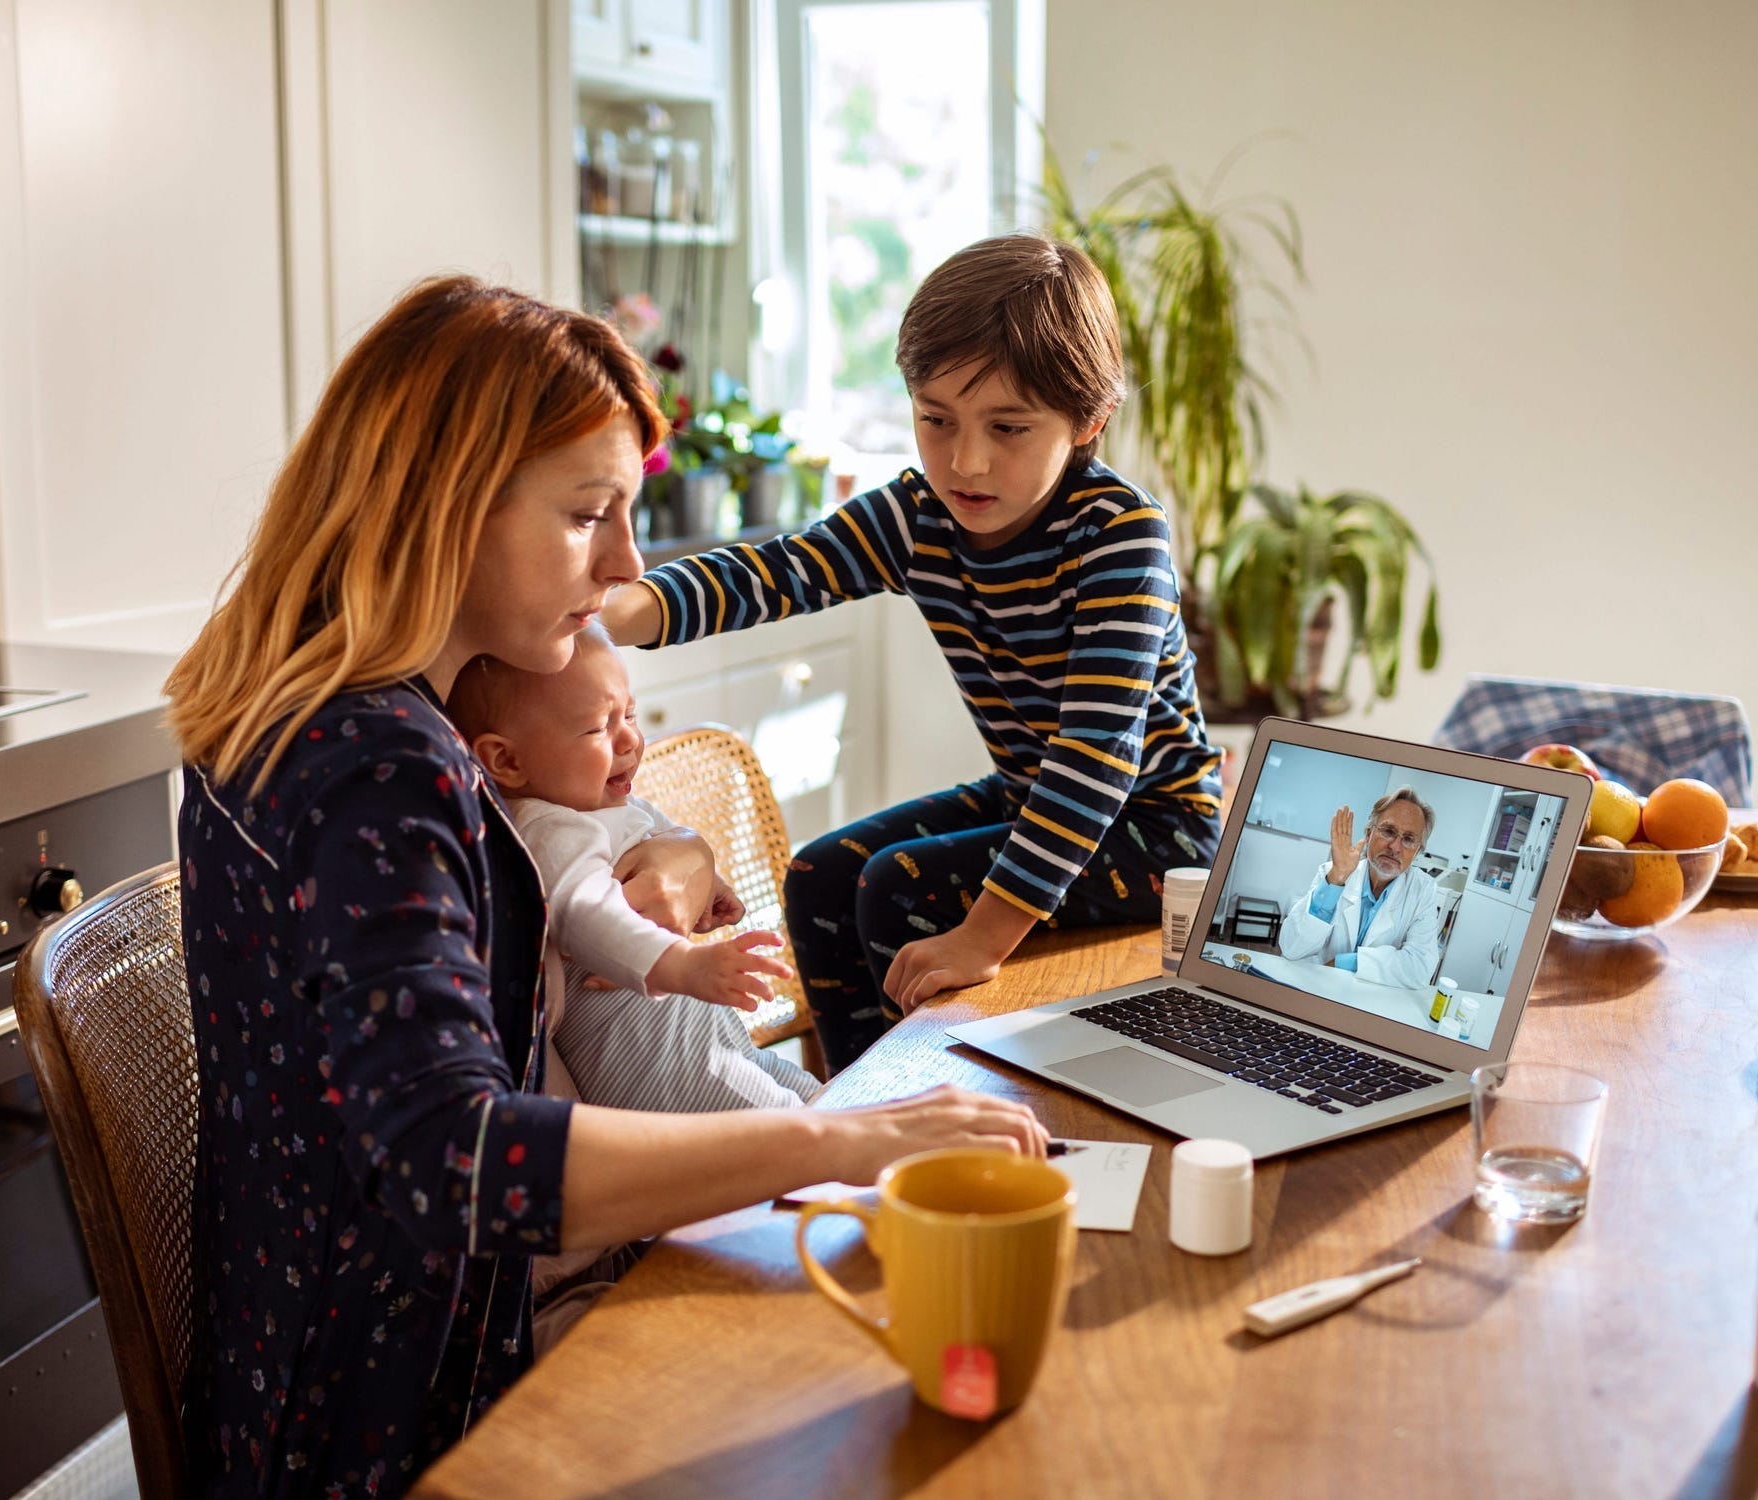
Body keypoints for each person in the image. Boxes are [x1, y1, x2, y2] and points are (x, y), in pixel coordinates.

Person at [161, 274, 1044, 1498]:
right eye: (590, 515)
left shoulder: (309, 711)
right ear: (447, 507)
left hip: (304, 1362)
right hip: (403, 1413)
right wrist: (848, 1137)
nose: (628, 562)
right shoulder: (378, 765)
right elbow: (456, 1161)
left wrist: (666, 858)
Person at [601, 234, 1223, 1070]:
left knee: (897, 886)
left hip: (1162, 831)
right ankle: (855, 1100)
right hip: (1030, 795)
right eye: (936, 420)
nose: (965, 461)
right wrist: (609, 612)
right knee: (822, 875)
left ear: (1088, 421)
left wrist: (985, 937)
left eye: (1008, 427)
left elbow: (1093, 763)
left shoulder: (1119, 537)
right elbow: (777, 572)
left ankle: (917, 1102)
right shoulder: (917, 515)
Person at [446, 625, 821, 1113]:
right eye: (599, 727)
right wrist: (683, 964)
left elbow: (662, 836)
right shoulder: (545, 828)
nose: (631, 740)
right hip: (659, 1074)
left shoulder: (602, 806)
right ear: (507, 760)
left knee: (828, 1102)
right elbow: (588, 912)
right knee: (806, 1134)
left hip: (708, 1045)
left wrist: (710, 886)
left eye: (630, 714)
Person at [1276, 788, 1443, 987]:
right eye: (1388, 831)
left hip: (1371, 1000)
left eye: (1408, 839)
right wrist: (1337, 879)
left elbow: (1420, 967)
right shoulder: (1333, 873)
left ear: (1417, 851)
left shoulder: (1423, 891)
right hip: (1317, 987)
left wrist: (1345, 963)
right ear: (1369, 833)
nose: (1395, 847)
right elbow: (1291, 948)